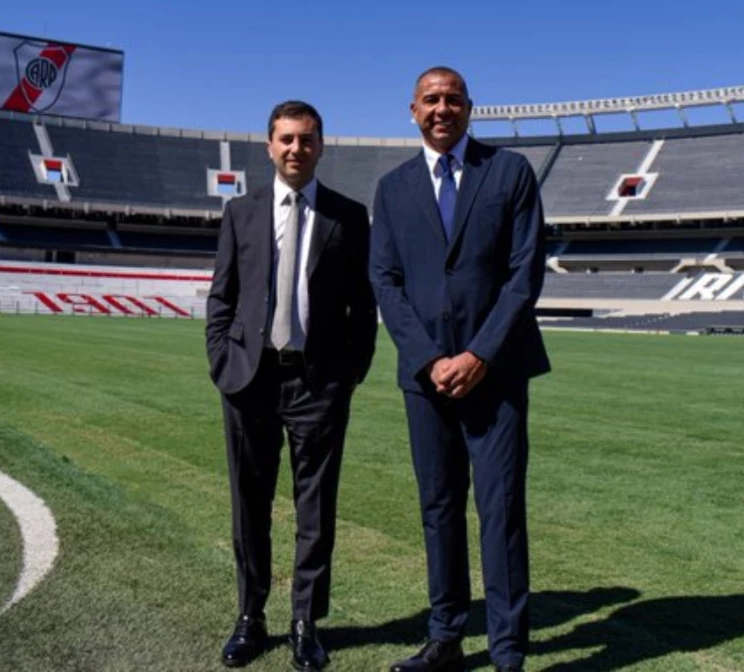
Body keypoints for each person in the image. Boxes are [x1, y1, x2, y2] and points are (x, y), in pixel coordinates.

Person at [369, 67, 550, 672]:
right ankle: (446, 637)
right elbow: (385, 282)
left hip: (495, 375)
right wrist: (429, 359)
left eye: (452, 100)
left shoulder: (510, 172)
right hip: (426, 379)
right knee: (438, 507)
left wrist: (479, 354)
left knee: (500, 512)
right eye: (430, 100)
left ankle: (507, 651)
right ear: (412, 110)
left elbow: (524, 274)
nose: (441, 109)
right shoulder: (392, 189)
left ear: (471, 108)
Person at [205, 100, 377, 671]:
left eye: (306, 139)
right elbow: (222, 297)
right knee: (248, 505)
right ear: (269, 146)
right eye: (286, 139)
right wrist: (220, 363)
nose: (295, 149)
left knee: (316, 509)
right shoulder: (240, 213)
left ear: (321, 146)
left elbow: (362, 305)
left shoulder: (349, 217)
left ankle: (306, 622)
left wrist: (348, 375)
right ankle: (250, 617)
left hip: (317, 382)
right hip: (249, 379)